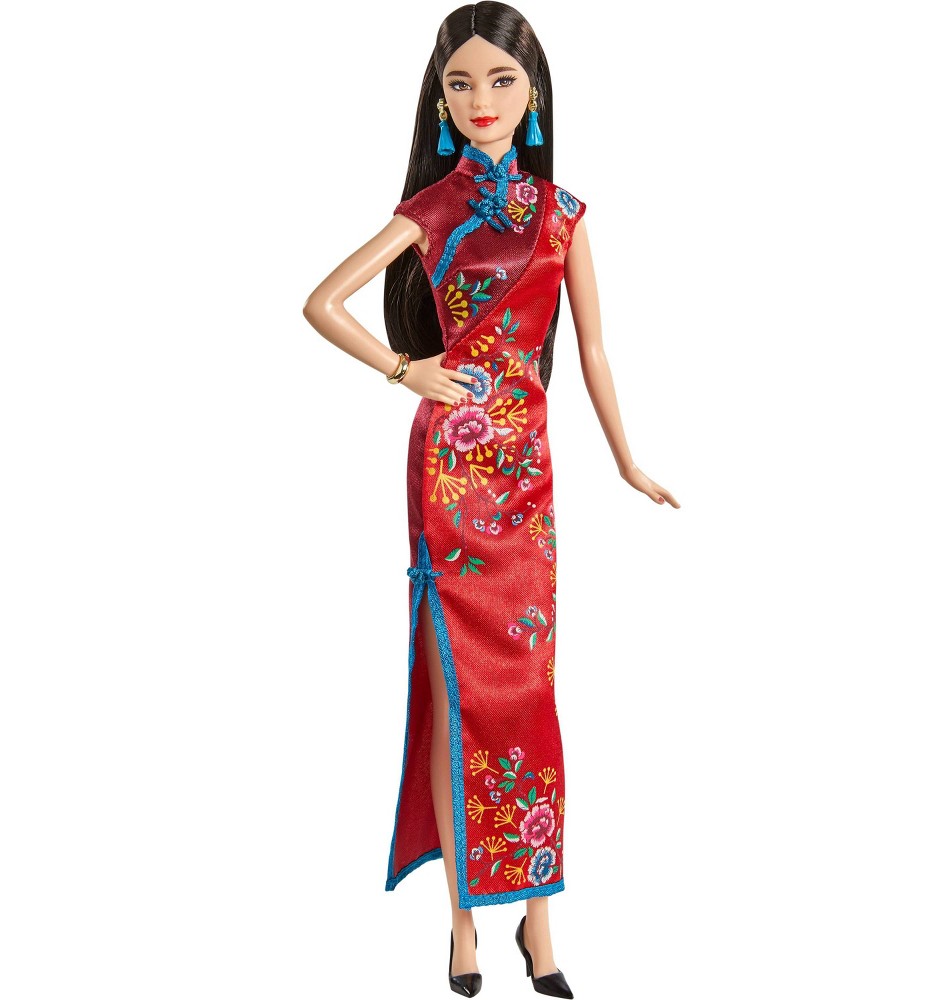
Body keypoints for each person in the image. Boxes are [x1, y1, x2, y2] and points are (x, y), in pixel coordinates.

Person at [302, 3, 679, 995]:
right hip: (450, 472)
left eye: (501, 81)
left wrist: (627, 459)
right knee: (455, 685)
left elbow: (592, 350)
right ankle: (465, 924)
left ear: (533, 94)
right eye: (461, 83)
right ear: (439, 101)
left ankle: (540, 924)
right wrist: (405, 370)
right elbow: (321, 302)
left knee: (528, 689)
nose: (481, 99)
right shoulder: (431, 210)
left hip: (528, 477)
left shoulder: (563, 213)